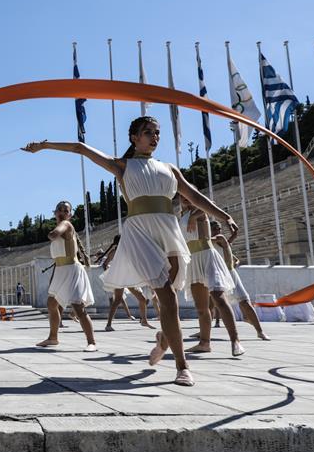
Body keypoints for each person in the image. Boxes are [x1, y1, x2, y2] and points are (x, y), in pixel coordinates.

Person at [24, 115, 238, 387]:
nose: (155, 137)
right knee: (168, 297)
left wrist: (223, 215)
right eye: (148, 132)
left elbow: (195, 196)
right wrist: (44, 146)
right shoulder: (123, 167)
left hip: (168, 232)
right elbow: (81, 148)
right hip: (141, 234)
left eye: (157, 133)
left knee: (168, 298)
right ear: (134, 138)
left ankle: (164, 339)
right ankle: (182, 367)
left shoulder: (170, 169)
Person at [178, 196, 244, 357]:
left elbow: (212, 205)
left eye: (188, 195)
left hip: (207, 256)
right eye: (182, 197)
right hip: (192, 260)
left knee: (219, 299)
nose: (185, 198)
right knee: (202, 307)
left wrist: (194, 216)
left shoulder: (200, 211)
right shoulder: (181, 215)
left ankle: (235, 341)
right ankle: (204, 343)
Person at [36, 201, 97, 351]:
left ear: (70, 214)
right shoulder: (61, 225)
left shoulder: (66, 225)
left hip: (72, 270)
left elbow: (54, 234)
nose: (62, 212)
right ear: (55, 212)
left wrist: (51, 233)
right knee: (51, 303)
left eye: (66, 210)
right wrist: (53, 278)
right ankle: (53, 338)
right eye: (60, 210)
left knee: (78, 307)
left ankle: (92, 343)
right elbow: (57, 258)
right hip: (60, 270)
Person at [210, 220, 270, 339]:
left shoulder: (220, 239)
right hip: (216, 275)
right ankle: (204, 333)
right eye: (215, 229)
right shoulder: (211, 246)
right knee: (208, 306)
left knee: (245, 301)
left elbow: (211, 241)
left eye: (219, 228)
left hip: (230, 275)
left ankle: (260, 331)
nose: (218, 231)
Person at [98, 235, 154, 330]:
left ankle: (144, 320)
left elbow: (105, 264)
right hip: (121, 278)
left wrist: (111, 272)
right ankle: (108, 324)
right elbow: (105, 264)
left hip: (126, 278)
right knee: (118, 300)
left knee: (141, 299)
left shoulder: (119, 251)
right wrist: (112, 273)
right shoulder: (120, 251)